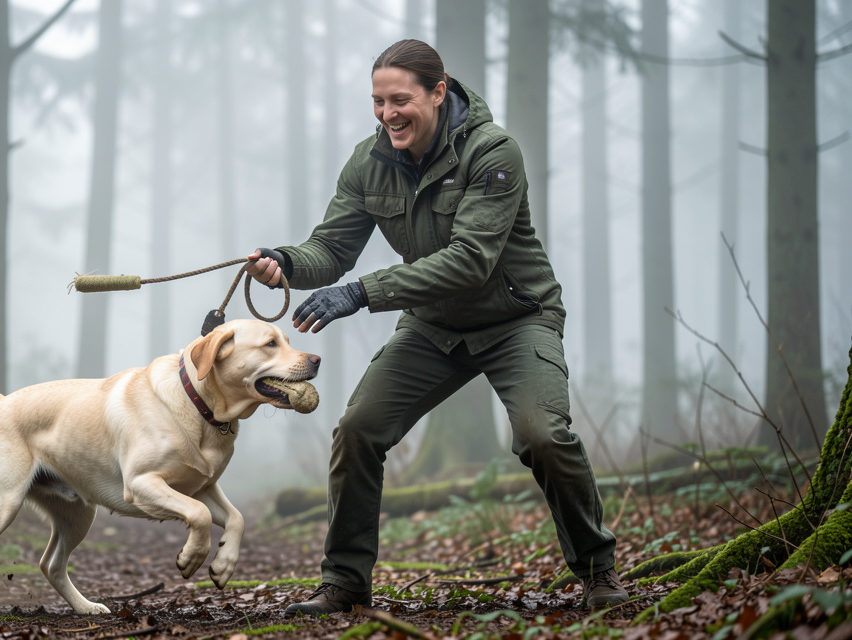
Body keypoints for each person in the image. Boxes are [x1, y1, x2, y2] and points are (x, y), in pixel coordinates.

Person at [244, 39, 628, 615]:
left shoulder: (494, 152)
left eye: (400, 100)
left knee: (542, 436)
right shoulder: (368, 162)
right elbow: (332, 248)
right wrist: (287, 264)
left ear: (439, 92)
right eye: (377, 102)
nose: (388, 114)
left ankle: (598, 573)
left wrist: (361, 294)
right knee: (358, 429)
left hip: (516, 321)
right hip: (433, 328)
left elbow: (471, 259)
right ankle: (345, 581)